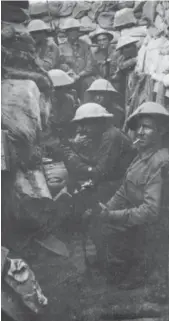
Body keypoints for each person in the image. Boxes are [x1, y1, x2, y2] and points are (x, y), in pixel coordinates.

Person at [93, 102, 169, 288]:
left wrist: (112, 216)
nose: (140, 132)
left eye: (147, 127)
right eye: (139, 127)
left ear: (161, 132)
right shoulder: (141, 156)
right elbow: (124, 189)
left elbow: (152, 211)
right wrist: (107, 208)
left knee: (111, 230)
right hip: (139, 218)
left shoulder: (161, 162)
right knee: (95, 220)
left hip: (156, 227)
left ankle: (140, 270)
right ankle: (123, 264)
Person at [59, 102, 135, 203]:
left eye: (86, 124)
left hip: (122, 185)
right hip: (115, 181)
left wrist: (76, 163)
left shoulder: (111, 136)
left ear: (99, 121)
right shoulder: (105, 134)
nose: (83, 129)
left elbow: (99, 172)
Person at [41, 69, 78, 159]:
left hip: (64, 135)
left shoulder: (69, 99)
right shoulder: (44, 100)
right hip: (48, 138)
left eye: (62, 88)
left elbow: (69, 118)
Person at [59, 18, 95, 100]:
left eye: (75, 30)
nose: (73, 33)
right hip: (68, 79)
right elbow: (60, 64)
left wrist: (79, 75)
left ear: (78, 31)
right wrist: (70, 74)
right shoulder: (61, 47)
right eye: (70, 31)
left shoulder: (85, 45)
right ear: (66, 32)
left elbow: (90, 64)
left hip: (83, 79)